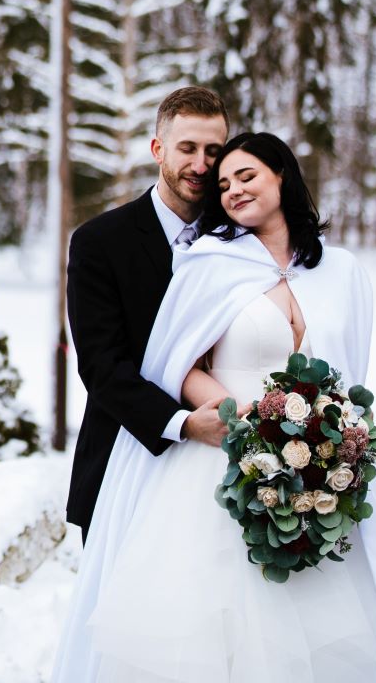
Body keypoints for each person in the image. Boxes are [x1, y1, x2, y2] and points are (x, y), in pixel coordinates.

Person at [52, 132, 376, 683]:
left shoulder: (343, 271)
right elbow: (177, 363)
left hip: (317, 468)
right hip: (225, 458)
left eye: (247, 175)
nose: (233, 189)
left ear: (281, 174)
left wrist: (326, 443)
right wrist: (256, 425)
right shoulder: (208, 262)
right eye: (224, 184)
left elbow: (349, 374)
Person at [64, 86, 231, 540]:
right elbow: (101, 365)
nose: (201, 165)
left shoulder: (240, 241)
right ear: (158, 150)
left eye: (214, 151)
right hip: (126, 457)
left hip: (223, 479)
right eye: (188, 148)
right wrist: (182, 425)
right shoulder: (99, 242)